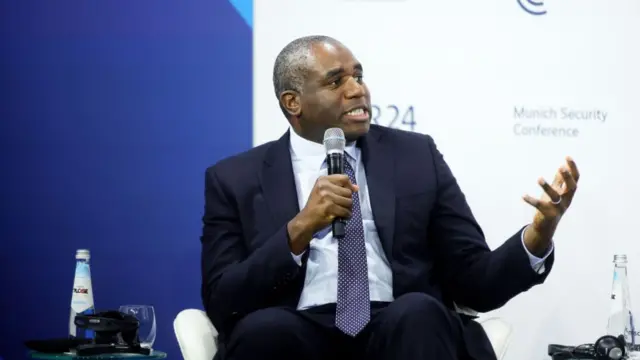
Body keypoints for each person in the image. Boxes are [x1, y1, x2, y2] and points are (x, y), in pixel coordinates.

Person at [200, 35, 580, 360]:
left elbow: (474, 283)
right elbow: (222, 300)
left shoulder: (415, 156)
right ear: (292, 102)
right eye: (336, 81)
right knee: (265, 330)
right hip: (295, 327)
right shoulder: (235, 178)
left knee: (418, 313)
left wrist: (538, 236)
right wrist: (298, 230)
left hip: (398, 326)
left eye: (359, 76)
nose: (357, 89)